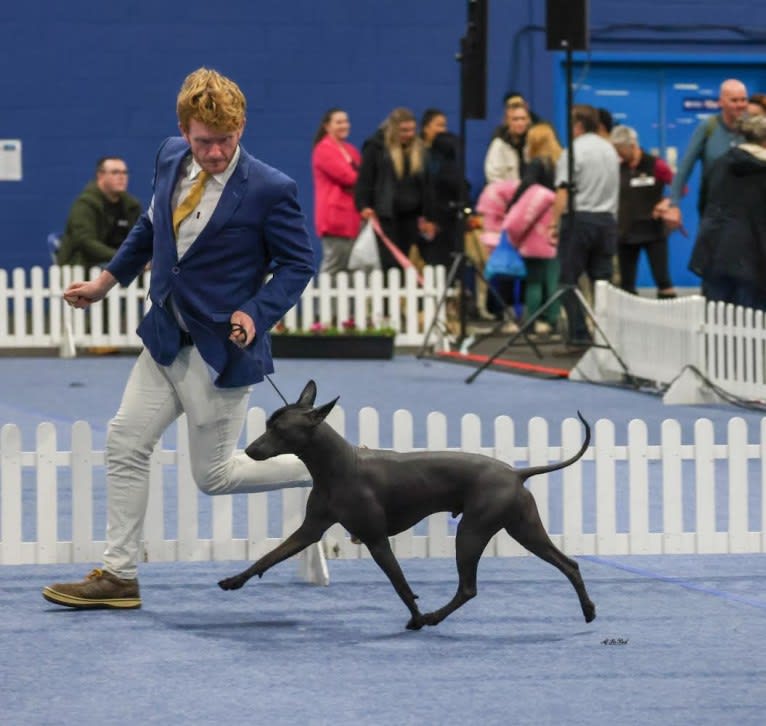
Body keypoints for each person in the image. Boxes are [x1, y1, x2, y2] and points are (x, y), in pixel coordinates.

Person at [42, 68, 316, 609]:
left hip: (220, 352)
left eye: (227, 140)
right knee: (124, 442)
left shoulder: (270, 188)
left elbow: (298, 263)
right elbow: (149, 228)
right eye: (204, 142)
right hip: (165, 337)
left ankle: (337, 469)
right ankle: (119, 576)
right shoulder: (169, 156)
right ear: (183, 132)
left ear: (242, 127)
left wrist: (257, 312)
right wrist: (105, 282)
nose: (215, 153)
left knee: (214, 476)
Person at [550, 104, 620, 348]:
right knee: (602, 282)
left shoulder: (573, 151)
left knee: (567, 281)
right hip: (607, 220)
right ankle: (607, 335)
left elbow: (563, 191)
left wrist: (553, 224)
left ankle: (579, 334)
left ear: (577, 125)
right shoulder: (610, 150)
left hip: (579, 220)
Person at [689, 113, 766, 311]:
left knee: (717, 323)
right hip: (754, 257)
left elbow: (705, 203)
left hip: (715, 251)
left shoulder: (720, 163)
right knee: (751, 326)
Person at [355, 107, 434, 271]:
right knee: (389, 264)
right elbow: (365, 180)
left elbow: (427, 184)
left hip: (412, 218)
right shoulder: (376, 147)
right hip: (386, 217)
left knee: (410, 263)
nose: (409, 134)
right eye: (404, 130)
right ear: (393, 129)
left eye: (412, 129)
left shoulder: (420, 150)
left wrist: (428, 214)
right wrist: (363, 205)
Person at [662, 79, 748, 230]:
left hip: (746, 211)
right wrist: (673, 204)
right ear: (721, 102)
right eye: (734, 100)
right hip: (713, 210)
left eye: (743, 99)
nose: (740, 105)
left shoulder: (753, 129)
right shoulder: (709, 127)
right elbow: (685, 167)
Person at [505, 123, 563, 335]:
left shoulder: (537, 164)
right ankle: (554, 319)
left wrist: (510, 208)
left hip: (538, 226)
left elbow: (526, 186)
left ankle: (531, 320)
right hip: (558, 222)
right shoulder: (561, 162)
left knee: (534, 278)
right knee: (553, 276)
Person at [610, 125, 677, 298]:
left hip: (653, 229)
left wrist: (666, 202)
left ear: (632, 146)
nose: (618, 154)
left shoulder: (656, 165)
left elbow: (679, 186)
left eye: (620, 150)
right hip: (626, 231)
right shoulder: (617, 167)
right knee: (626, 283)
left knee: (663, 280)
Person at [56, 157, 141, 269]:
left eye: (125, 173)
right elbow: (85, 242)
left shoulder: (132, 206)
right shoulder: (85, 204)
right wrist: (122, 257)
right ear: (100, 175)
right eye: (115, 172)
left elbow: (140, 239)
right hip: (85, 266)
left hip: (122, 265)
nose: (122, 177)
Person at [311, 108, 362, 276]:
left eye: (346, 121)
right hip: (335, 219)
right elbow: (348, 177)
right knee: (335, 266)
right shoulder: (323, 149)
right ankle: (327, 302)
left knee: (351, 269)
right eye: (339, 122)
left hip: (353, 218)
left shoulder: (351, 150)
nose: (344, 125)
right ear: (327, 126)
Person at [421, 108, 462, 268]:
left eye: (444, 126)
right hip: (425, 218)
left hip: (446, 217)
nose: (442, 130)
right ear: (426, 127)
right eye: (438, 125)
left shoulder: (446, 153)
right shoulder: (419, 153)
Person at [483, 96, 531, 184]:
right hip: (506, 195)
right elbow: (493, 177)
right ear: (507, 121)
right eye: (515, 119)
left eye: (523, 119)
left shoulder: (532, 143)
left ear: (528, 121)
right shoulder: (499, 145)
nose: (520, 123)